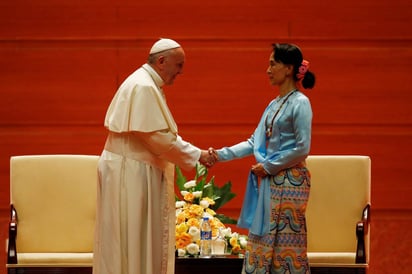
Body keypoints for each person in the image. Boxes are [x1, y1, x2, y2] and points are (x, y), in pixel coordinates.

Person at [93, 38, 216, 274]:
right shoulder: (143, 86)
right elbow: (159, 138)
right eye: (178, 65)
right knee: (131, 239)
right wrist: (198, 154)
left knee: (131, 240)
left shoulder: (146, 83)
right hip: (129, 173)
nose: (181, 72)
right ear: (161, 61)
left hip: (131, 169)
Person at [212, 43, 315, 273]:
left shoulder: (300, 103)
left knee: (286, 243)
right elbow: (253, 142)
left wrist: (268, 166)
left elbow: (302, 147)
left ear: (288, 69)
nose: (268, 70)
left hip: (290, 183)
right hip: (271, 180)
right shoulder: (273, 104)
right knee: (263, 241)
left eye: (272, 64)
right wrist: (218, 155)